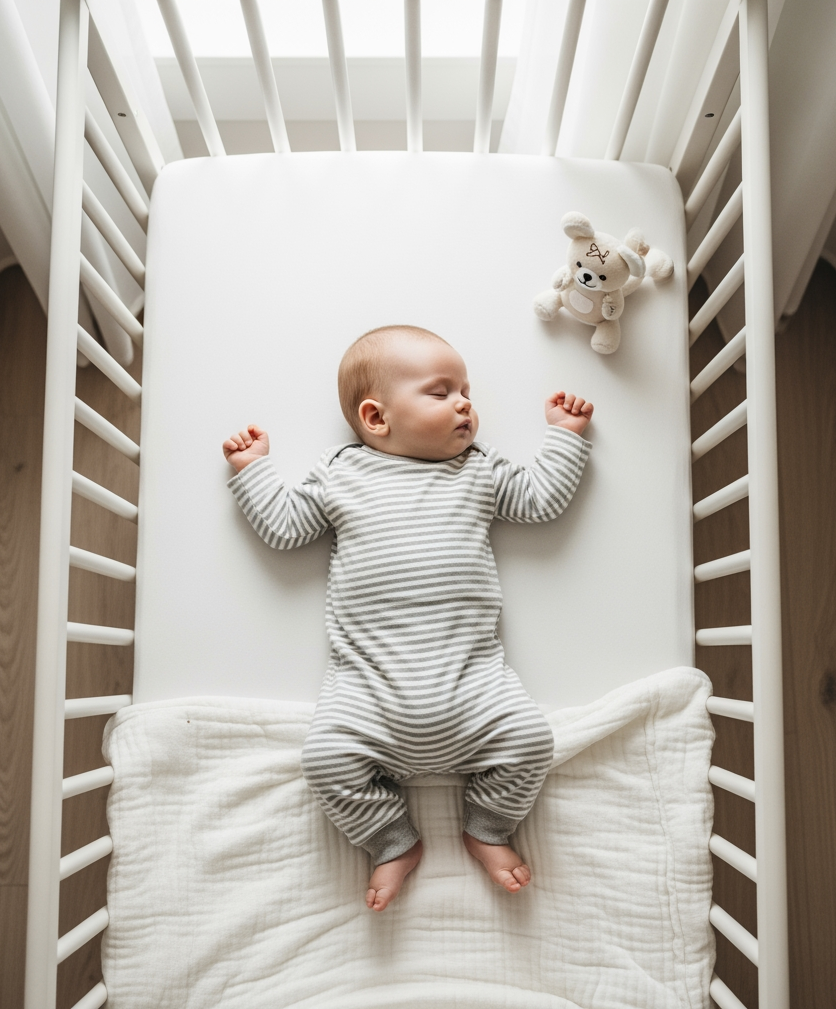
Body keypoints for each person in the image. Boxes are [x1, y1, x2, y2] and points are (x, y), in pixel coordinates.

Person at [222, 325, 593, 912]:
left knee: (529, 741)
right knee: (324, 761)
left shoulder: (478, 468)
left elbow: (540, 500)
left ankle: (487, 827)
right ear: (376, 417)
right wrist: (253, 471)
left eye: (466, 390)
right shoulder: (340, 473)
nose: (466, 403)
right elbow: (287, 528)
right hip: (368, 689)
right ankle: (392, 840)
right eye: (441, 392)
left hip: (474, 683)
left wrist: (565, 439)